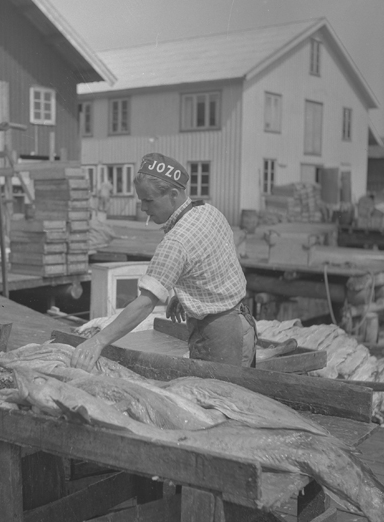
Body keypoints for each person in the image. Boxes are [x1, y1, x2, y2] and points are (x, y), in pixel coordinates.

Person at [71, 152, 256, 372]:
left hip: (218, 337)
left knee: (215, 393)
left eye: (148, 200)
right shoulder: (208, 211)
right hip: (243, 326)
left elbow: (145, 304)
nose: (143, 208)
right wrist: (189, 294)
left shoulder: (176, 241)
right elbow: (216, 263)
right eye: (141, 200)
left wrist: (98, 341)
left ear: (173, 194)